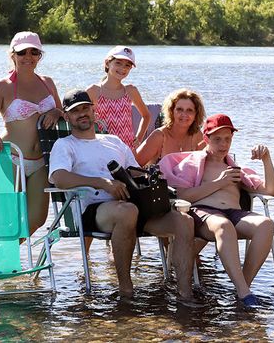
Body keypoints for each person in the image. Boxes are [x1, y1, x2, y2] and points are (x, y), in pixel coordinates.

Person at [49, 89, 195, 300]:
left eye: (85, 109)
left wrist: (153, 175)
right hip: (94, 209)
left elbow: (135, 170)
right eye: (75, 111)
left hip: (132, 204)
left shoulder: (113, 141)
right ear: (67, 116)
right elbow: (59, 177)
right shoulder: (64, 145)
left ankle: (185, 293)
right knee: (127, 211)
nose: (82, 114)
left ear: (93, 110)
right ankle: (126, 289)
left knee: (184, 222)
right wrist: (101, 182)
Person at [158, 114, 274, 307]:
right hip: (204, 214)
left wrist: (266, 159)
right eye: (217, 139)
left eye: (227, 139)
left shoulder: (235, 169)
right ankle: (244, 293)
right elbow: (182, 195)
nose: (223, 144)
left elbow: (271, 190)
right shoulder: (192, 163)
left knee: (266, 224)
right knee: (223, 225)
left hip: (233, 213)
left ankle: (243, 287)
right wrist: (220, 182)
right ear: (206, 139)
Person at [0, 31, 63, 235]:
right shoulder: (3, 86)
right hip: (11, 158)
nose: (28, 57)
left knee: (37, 219)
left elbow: (62, 112)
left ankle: (2, 255)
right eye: (22, 52)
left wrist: (56, 111)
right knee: (9, 216)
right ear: (12, 55)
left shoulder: (48, 82)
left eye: (34, 52)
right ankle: (1, 259)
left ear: (40, 56)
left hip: (41, 162)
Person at [86, 46, 150, 151]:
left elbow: (146, 115)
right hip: (102, 148)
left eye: (127, 65)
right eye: (118, 63)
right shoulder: (94, 90)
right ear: (107, 63)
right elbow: (82, 117)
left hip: (127, 149)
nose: (123, 68)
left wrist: (138, 138)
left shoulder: (131, 91)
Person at [135, 88, 207, 166]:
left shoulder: (197, 135)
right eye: (179, 109)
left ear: (196, 114)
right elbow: (133, 166)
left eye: (189, 110)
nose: (184, 114)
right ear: (171, 112)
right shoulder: (159, 136)